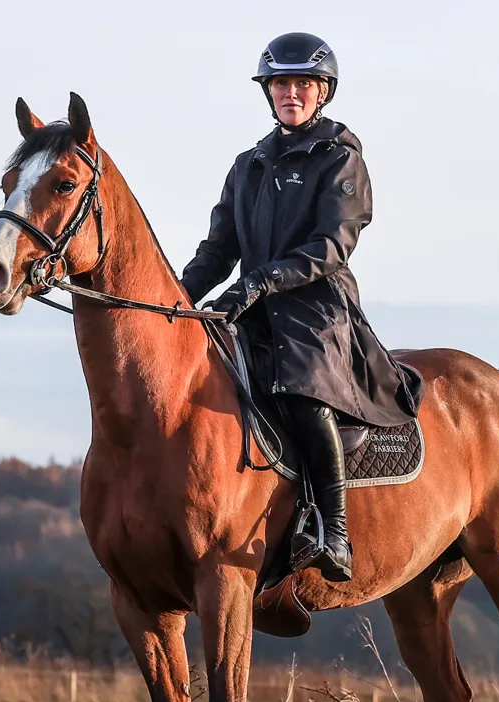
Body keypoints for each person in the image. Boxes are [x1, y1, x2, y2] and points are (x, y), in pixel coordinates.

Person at [181, 32, 422, 582]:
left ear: (323, 92)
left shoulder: (341, 159)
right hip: (254, 308)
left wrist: (260, 283)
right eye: (282, 84)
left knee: (302, 392)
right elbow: (219, 251)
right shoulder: (248, 165)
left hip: (318, 311)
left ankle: (333, 532)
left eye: (303, 85)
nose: (292, 93)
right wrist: (172, 301)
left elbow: (331, 247)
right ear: (269, 92)